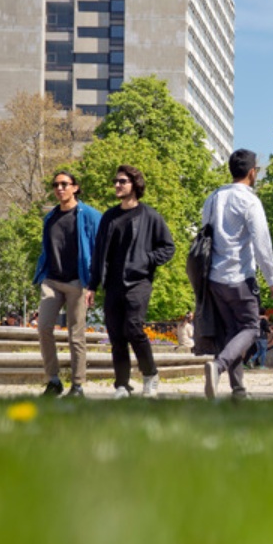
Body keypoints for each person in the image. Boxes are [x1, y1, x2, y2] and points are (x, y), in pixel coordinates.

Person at [199, 149, 273, 401]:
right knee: (250, 328)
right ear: (252, 172)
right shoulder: (250, 201)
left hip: (214, 278)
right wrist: (272, 280)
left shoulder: (213, 197)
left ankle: (238, 390)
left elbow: (204, 233)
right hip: (240, 277)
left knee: (231, 333)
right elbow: (262, 242)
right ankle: (219, 366)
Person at [86, 165, 176, 399]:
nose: (117, 185)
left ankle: (150, 375)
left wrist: (146, 260)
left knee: (134, 328)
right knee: (116, 335)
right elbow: (98, 254)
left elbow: (168, 248)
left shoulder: (150, 216)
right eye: (116, 181)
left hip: (138, 282)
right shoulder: (109, 216)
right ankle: (122, 385)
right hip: (113, 283)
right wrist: (92, 285)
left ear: (134, 185)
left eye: (122, 181)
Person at [33, 170, 102, 398]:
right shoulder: (50, 217)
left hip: (78, 281)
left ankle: (78, 384)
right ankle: (53, 380)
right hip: (52, 280)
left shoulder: (90, 215)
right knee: (43, 327)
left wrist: (93, 283)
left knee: (76, 335)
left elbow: (101, 250)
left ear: (75, 187)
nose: (59, 188)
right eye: (56, 185)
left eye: (64, 184)